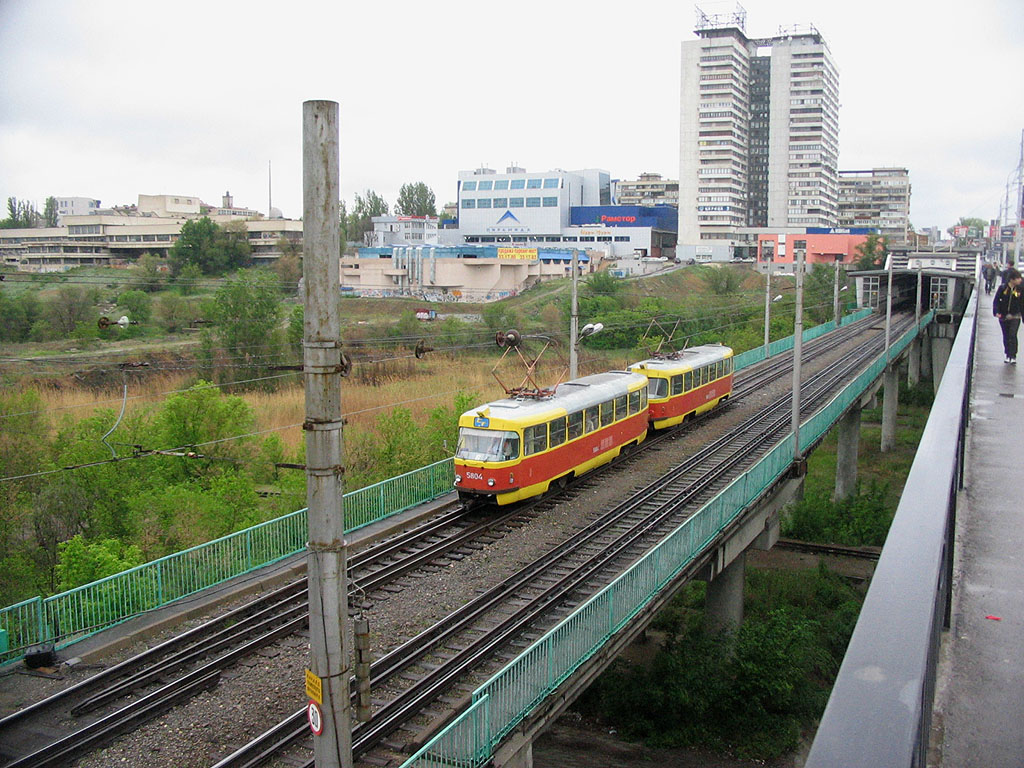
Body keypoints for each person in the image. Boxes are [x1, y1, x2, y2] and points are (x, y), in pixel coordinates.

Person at [993, 268, 1023, 364]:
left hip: (1015, 316)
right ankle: (1007, 354)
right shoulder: (1003, 288)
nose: (1020, 280)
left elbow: (1022, 303)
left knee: (1012, 335)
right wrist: (996, 312)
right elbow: (996, 301)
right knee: (1006, 335)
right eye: (1018, 278)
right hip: (1003, 316)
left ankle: (1013, 355)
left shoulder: (1020, 289)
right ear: (1012, 279)